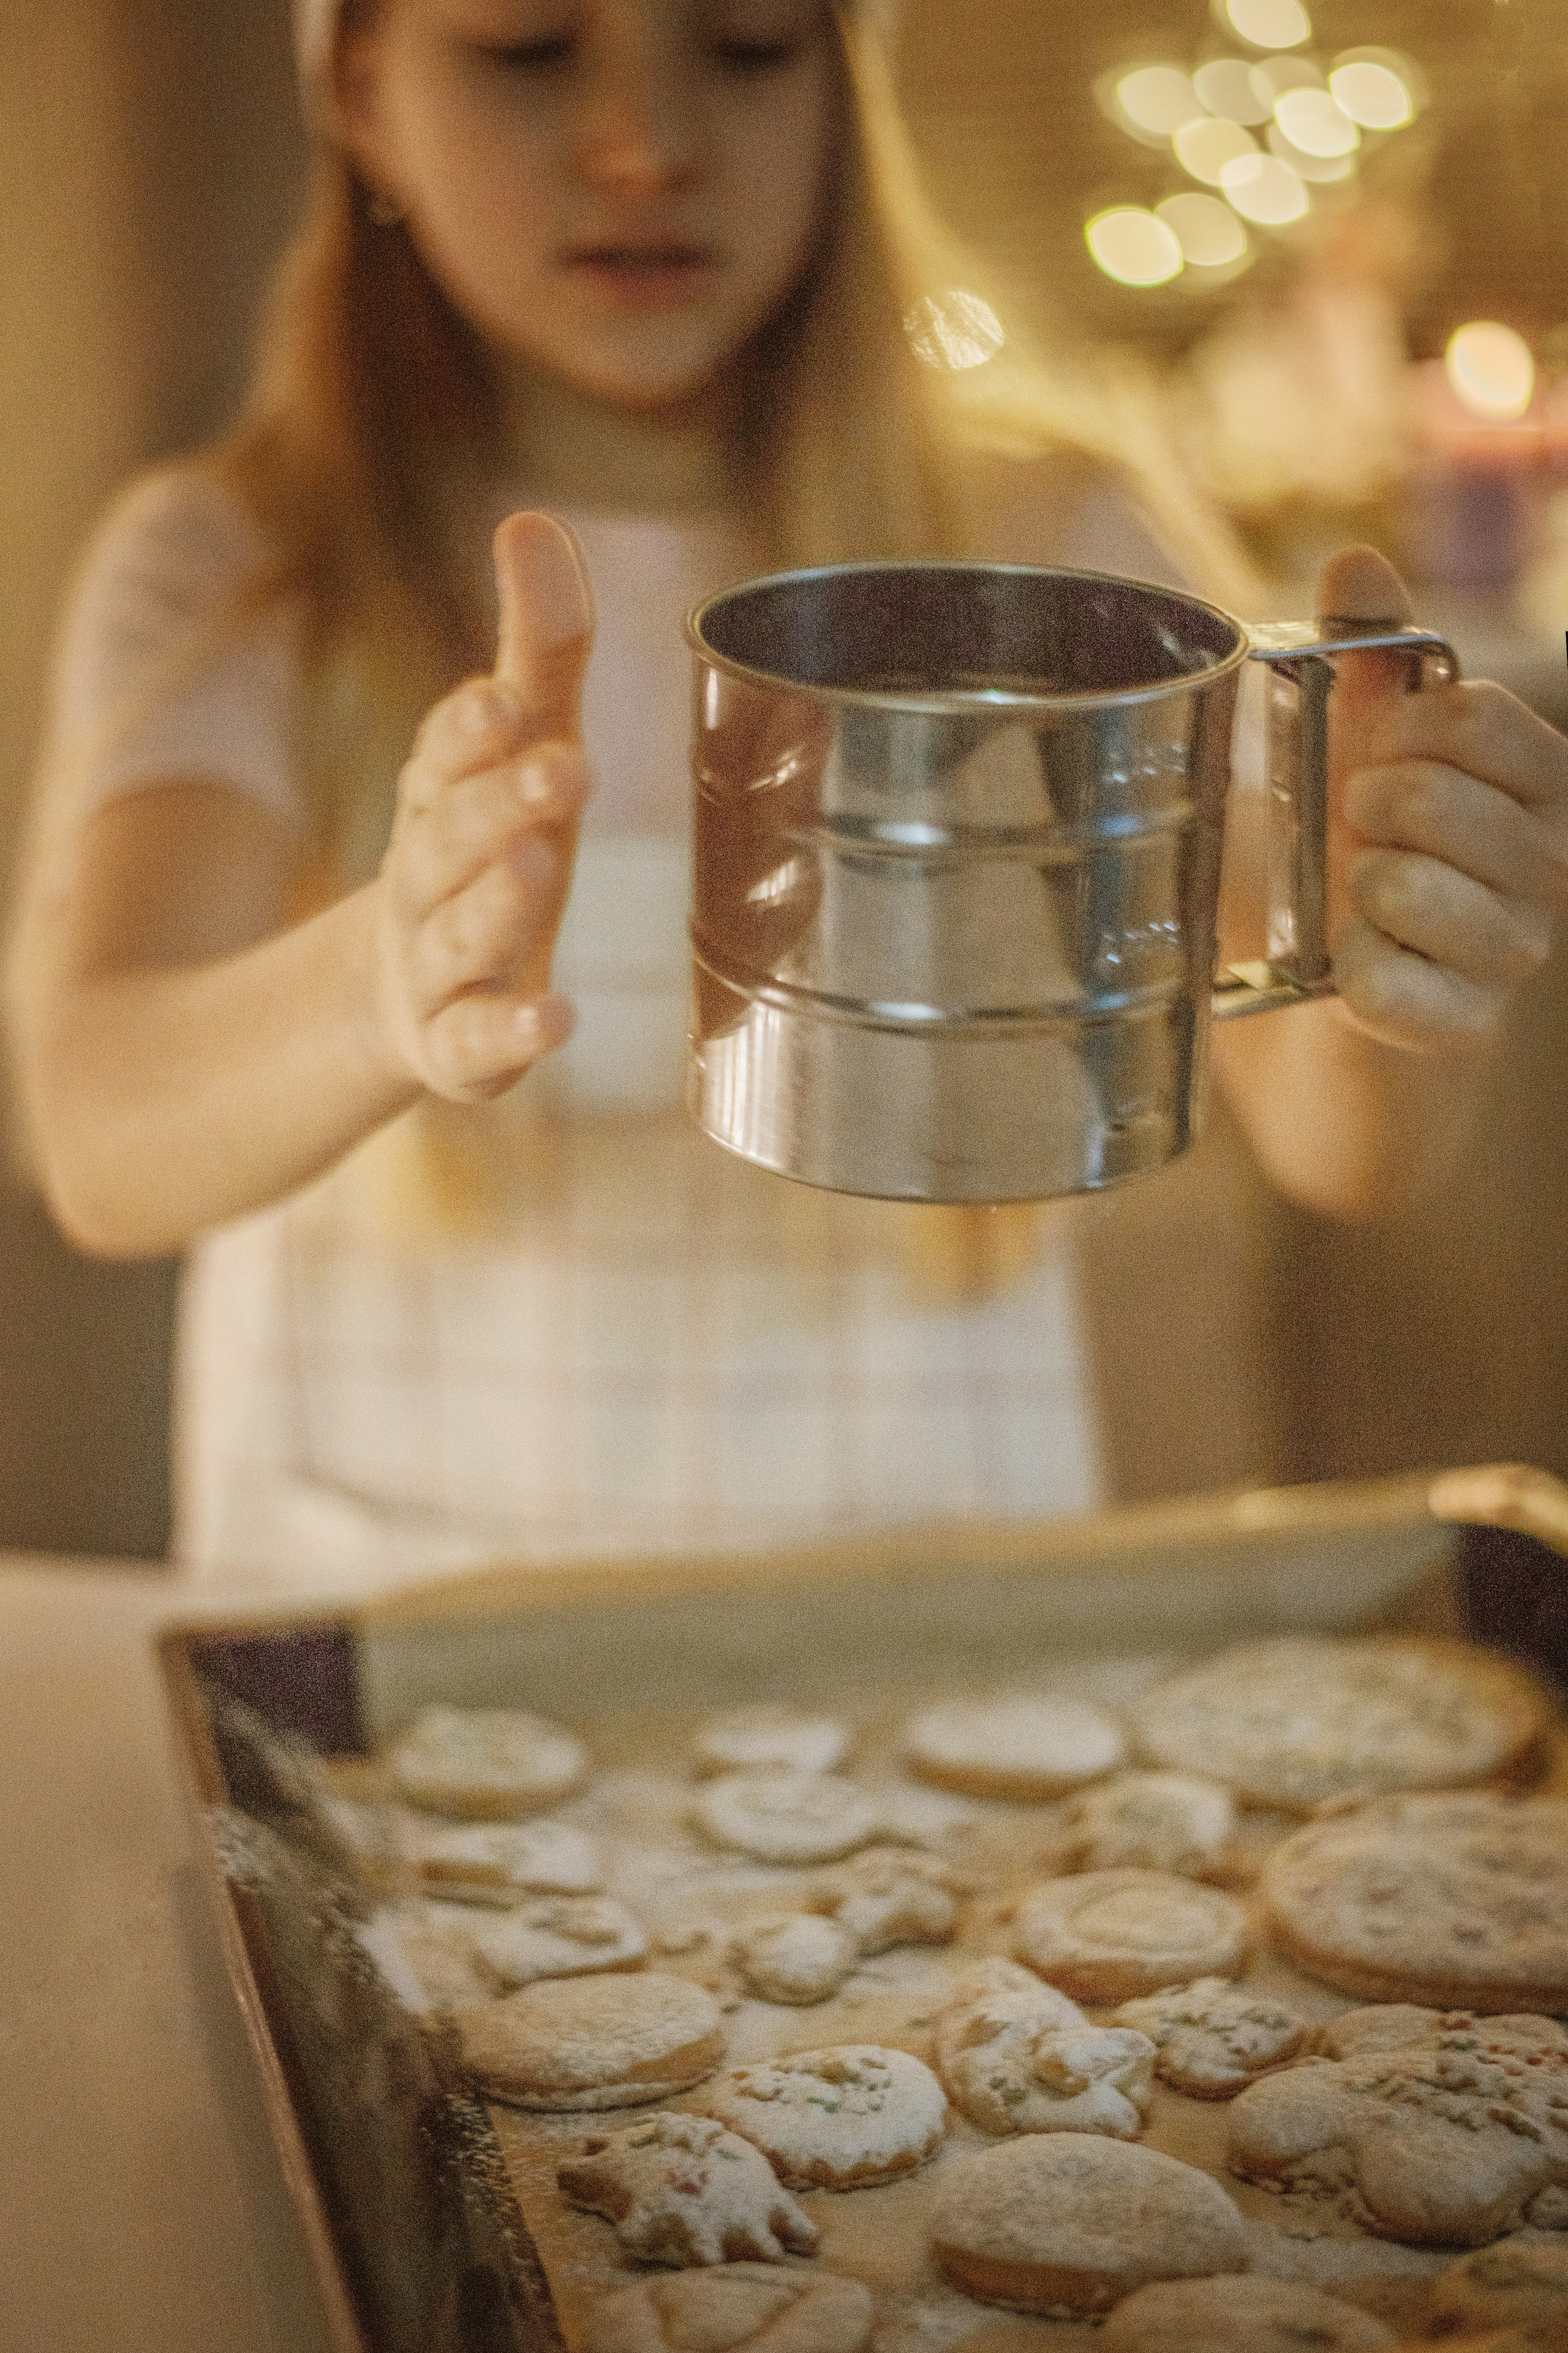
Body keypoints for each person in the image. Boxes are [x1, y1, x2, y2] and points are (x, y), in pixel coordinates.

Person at [7, 0, 1567, 1588]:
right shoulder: (237, 570)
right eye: (530, 53)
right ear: (360, 91)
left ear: (844, 84)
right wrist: (376, 979)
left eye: (747, 47)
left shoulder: (1049, 540)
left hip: (931, 1633)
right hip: (389, 1637)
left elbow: (1342, 1140)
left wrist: (1398, 929)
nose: (644, 144)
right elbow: (99, 1132)